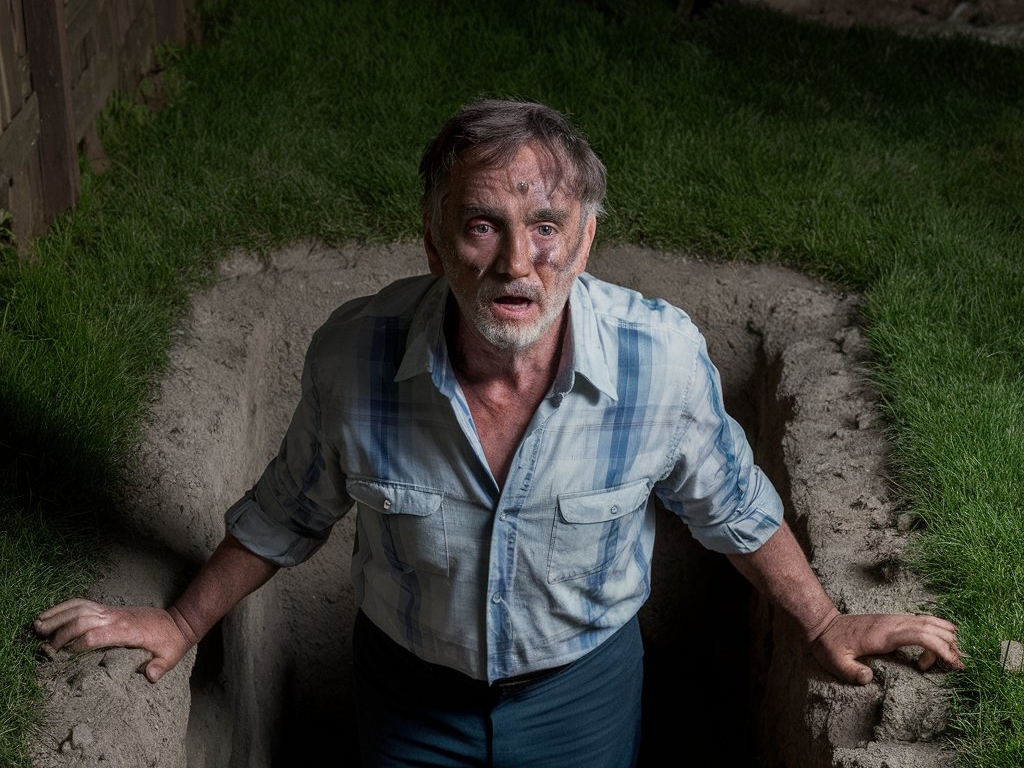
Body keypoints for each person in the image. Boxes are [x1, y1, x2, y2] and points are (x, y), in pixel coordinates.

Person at [35, 98, 964, 768]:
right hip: (405, 702)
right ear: (435, 242)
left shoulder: (661, 359)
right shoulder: (355, 355)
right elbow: (290, 508)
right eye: (484, 225)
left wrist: (824, 620)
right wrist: (181, 620)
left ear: (586, 242)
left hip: (584, 700)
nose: (520, 262)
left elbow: (733, 503)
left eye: (548, 225)